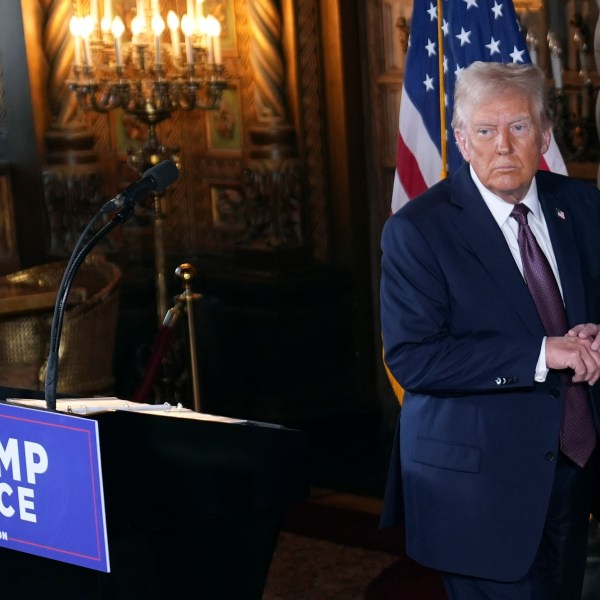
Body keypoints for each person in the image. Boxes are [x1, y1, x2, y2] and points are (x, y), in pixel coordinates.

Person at [380, 60, 600, 599]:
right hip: (481, 489)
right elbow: (414, 358)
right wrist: (542, 352)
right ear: (461, 139)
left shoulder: (584, 205)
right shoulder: (418, 230)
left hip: (575, 472)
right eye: (485, 130)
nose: (503, 145)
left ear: (544, 136)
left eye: (519, 127)